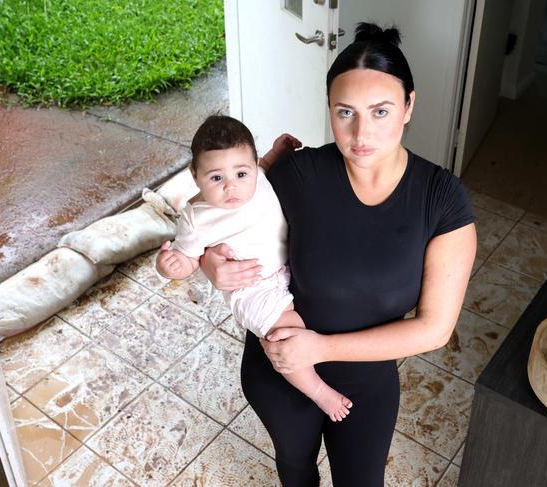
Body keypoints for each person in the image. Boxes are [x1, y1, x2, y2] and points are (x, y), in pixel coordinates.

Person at [199, 23, 477, 487]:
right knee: (294, 465)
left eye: (381, 111)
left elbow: (435, 329)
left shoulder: (442, 199)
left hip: (366, 379)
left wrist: (322, 347)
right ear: (329, 109)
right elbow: (220, 215)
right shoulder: (299, 174)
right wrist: (211, 263)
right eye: (345, 112)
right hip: (279, 365)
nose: (361, 132)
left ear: (409, 105)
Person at [155, 115, 353, 421]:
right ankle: (318, 392)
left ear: (253, 164)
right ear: (195, 175)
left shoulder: (258, 177)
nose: (231, 187)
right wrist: (170, 266)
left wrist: (278, 152)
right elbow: (186, 259)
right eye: (216, 178)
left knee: (320, 311)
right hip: (251, 289)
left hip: (284, 269)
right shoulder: (196, 217)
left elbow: (266, 164)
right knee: (287, 335)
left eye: (240, 173)